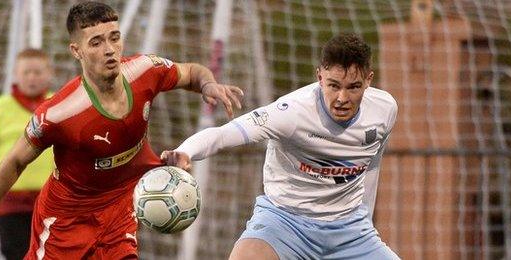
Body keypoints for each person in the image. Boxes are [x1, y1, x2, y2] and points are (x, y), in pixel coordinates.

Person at [0, 1, 243, 259]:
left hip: (119, 211)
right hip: (66, 220)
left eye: (114, 38)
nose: (109, 50)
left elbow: (190, 72)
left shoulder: (145, 70)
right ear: (76, 51)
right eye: (96, 42)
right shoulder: (58, 113)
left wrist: (209, 85)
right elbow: (14, 161)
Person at [162, 33, 399, 259]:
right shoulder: (291, 113)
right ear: (319, 78)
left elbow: (371, 164)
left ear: (369, 80)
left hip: (349, 230)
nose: (341, 98)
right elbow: (223, 135)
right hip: (285, 222)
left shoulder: (384, 110)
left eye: (353, 87)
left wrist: (365, 219)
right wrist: (185, 151)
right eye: (333, 86)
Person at [0, 48, 55, 260]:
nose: (32, 77)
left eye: (38, 72)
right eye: (26, 72)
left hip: (52, 203)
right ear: (15, 74)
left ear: (50, 73)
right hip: (10, 203)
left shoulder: (59, 105)